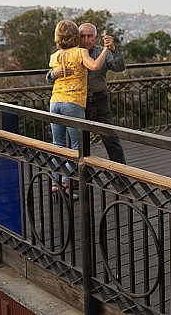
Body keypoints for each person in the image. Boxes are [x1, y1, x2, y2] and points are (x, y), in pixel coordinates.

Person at [46, 22, 127, 164]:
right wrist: (54, 73)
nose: (86, 40)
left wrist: (113, 49)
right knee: (79, 143)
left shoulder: (101, 52)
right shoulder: (70, 52)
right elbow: (49, 78)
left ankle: (121, 174)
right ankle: (80, 177)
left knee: (110, 139)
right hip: (76, 103)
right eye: (82, 36)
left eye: (90, 36)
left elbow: (120, 67)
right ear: (77, 37)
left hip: (98, 100)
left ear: (96, 37)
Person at [48, 20, 110, 195]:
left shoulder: (55, 56)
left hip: (55, 102)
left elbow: (52, 75)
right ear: (76, 35)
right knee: (78, 147)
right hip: (72, 102)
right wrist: (106, 49)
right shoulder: (80, 52)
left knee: (57, 145)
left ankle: (56, 184)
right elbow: (95, 66)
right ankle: (66, 182)